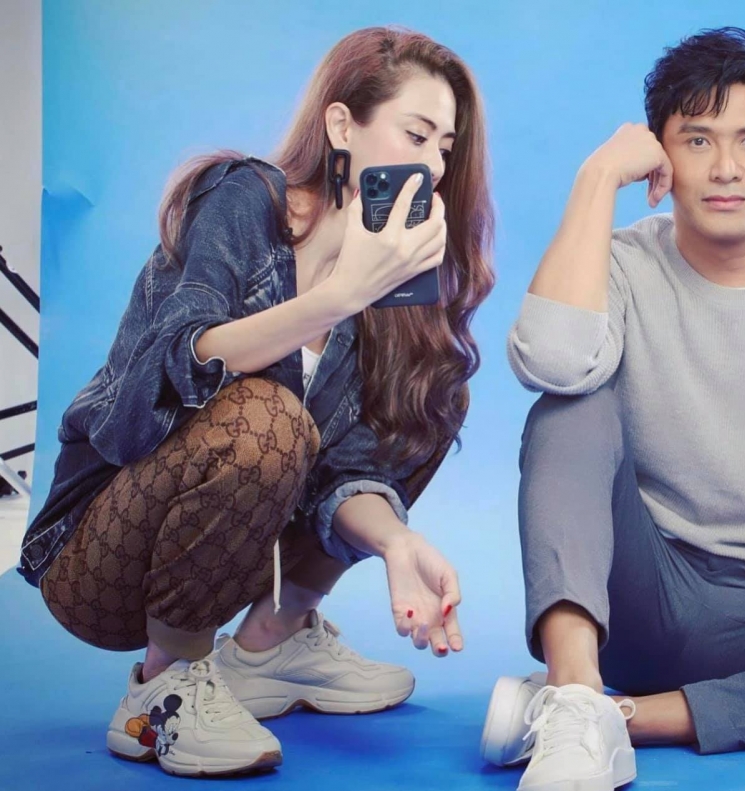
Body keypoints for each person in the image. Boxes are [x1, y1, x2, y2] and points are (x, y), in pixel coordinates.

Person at [19, 25, 494, 777]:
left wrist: (396, 544)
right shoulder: (245, 199)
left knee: (432, 388)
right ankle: (162, 685)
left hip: (235, 560)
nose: (434, 165)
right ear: (343, 126)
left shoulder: (390, 289)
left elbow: (343, 476)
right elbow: (175, 365)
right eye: (416, 134)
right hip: (103, 555)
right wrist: (337, 295)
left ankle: (274, 643)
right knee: (267, 418)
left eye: (445, 146)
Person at [481, 26, 745, 791]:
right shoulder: (619, 262)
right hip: (641, 592)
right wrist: (597, 178)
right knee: (570, 405)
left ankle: (595, 715)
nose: (725, 168)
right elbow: (551, 361)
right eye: (697, 140)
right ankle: (576, 681)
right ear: (661, 157)